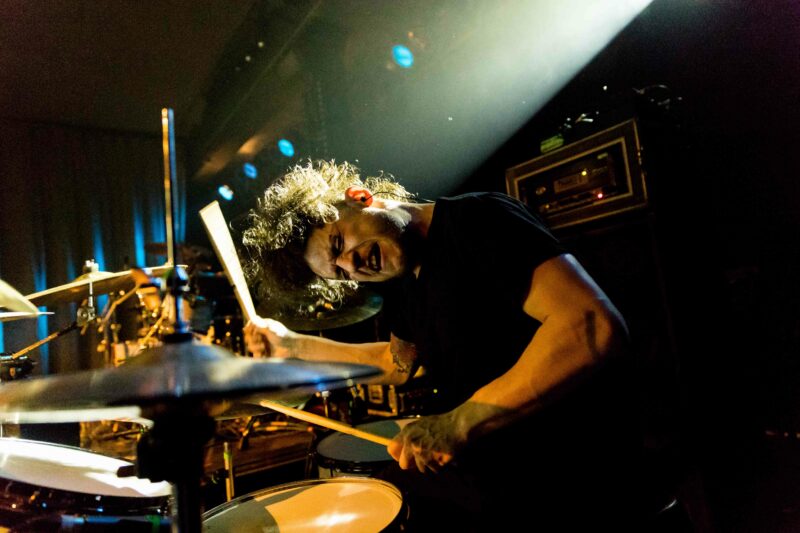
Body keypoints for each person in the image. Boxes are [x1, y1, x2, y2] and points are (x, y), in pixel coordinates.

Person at [242, 160, 645, 531]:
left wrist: (458, 422)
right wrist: (293, 345)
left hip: (570, 472)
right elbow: (397, 364)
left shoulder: (477, 219)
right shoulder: (407, 279)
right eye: (340, 273)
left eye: (338, 245)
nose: (352, 266)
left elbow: (590, 324)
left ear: (359, 197)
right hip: (499, 473)